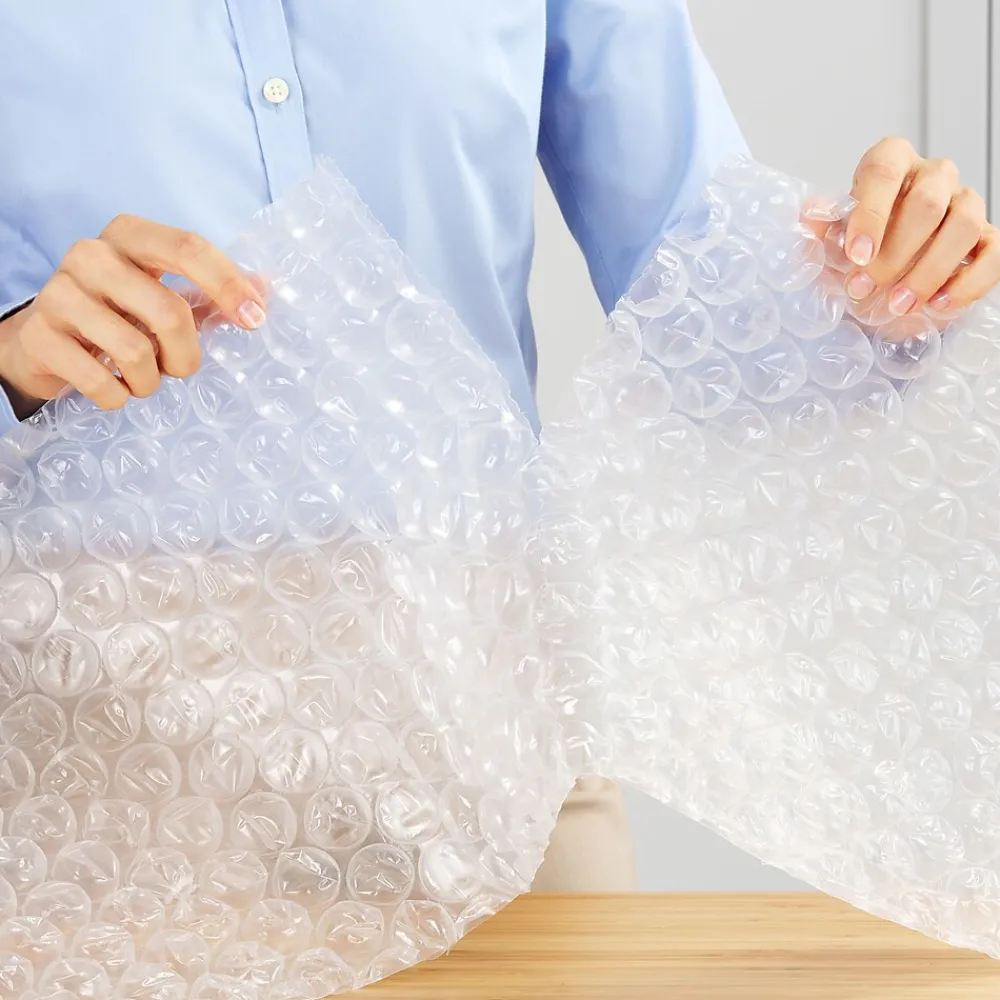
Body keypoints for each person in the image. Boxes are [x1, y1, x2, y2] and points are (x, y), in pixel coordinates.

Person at [0, 2, 997, 893]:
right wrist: (14, 353)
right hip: (104, 713)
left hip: (485, 696)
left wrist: (881, 282)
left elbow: (708, 297)